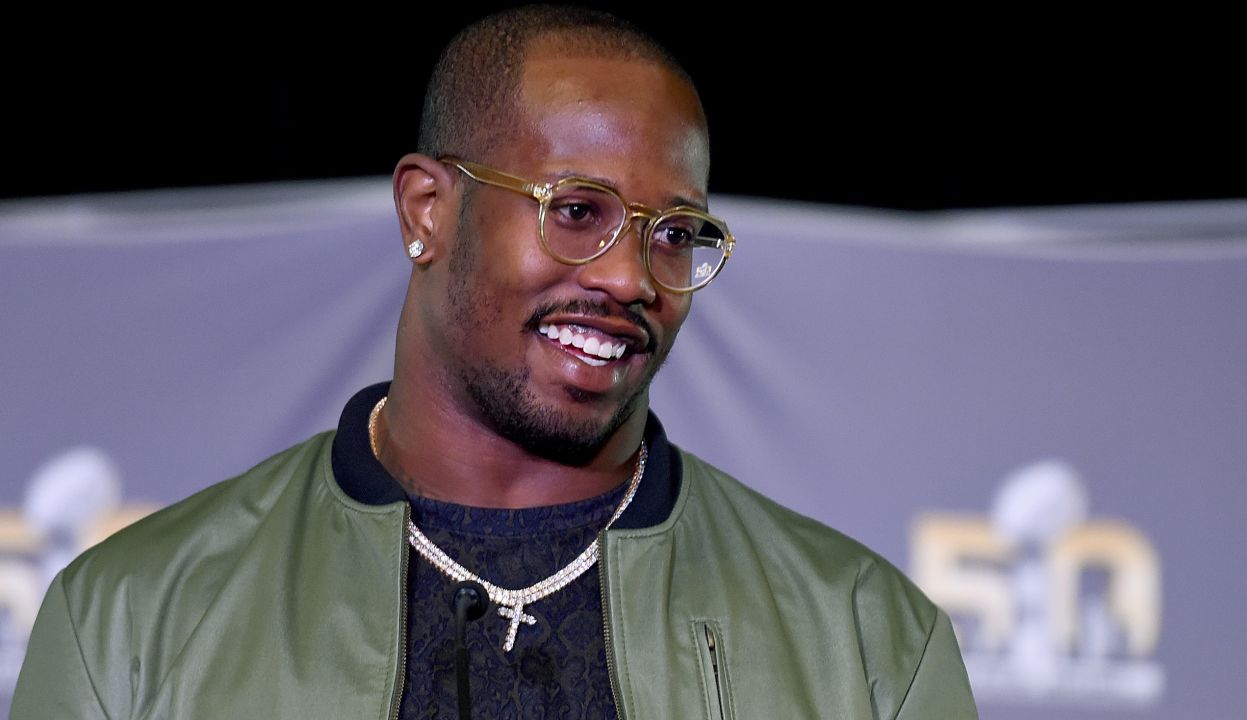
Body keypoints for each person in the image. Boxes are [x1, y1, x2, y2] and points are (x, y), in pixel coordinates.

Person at [12, 6, 978, 719]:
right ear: (428, 211)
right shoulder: (129, 621)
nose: (632, 279)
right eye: (576, 212)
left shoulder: (866, 640)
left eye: (674, 233)